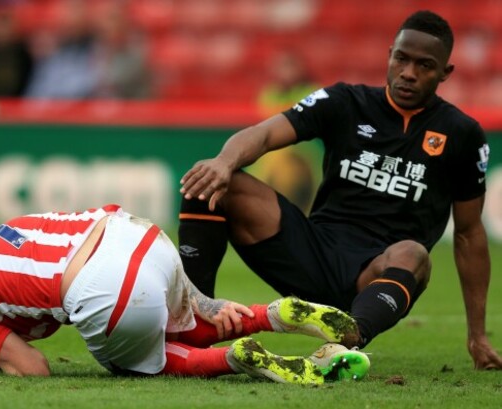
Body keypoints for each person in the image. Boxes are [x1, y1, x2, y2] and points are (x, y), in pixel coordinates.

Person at [177, 10, 502, 370]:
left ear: (445, 72)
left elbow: (470, 234)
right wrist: (224, 161)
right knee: (207, 179)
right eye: (402, 59)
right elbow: (266, 133)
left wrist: (478, 335)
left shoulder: (462, 133)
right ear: (389, 54)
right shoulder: (346, 102)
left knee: (414, 253)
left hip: (376, 275)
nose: (409, 72)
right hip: (313, 252)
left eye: (425, 65)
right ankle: (192, 322)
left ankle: (346, 341)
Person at [0, 204, 370, 383]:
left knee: (133, 363)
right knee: (162, 322)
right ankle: (272, 315)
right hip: (142, 238)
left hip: (103, 283)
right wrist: (204, 302)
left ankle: (237, 357)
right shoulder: (1, 236)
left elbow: (34, 368)